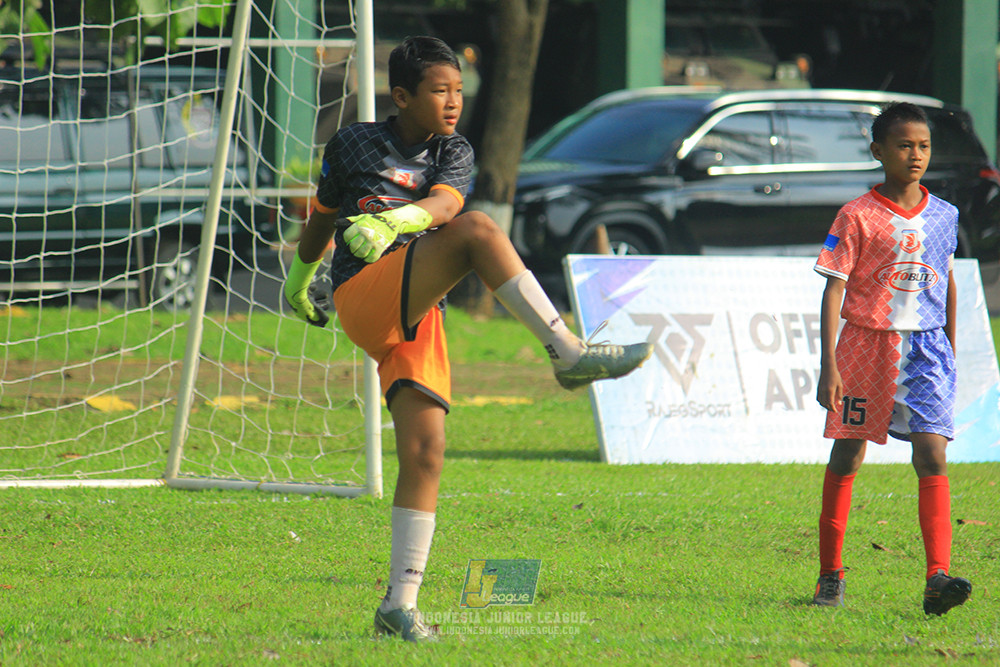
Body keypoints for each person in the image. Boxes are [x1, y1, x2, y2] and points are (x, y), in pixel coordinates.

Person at [282, 36, 652, 642]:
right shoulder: (353, 142)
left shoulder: (454, 150)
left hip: (420, 312)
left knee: (426, 453)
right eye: (439, 90)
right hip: (364, 297)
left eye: (459, 89)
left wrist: (399, 219)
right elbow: (323, 213)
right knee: (481, 230)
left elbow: (447, 202)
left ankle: (397, 605)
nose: (454, 101)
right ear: (401, 96)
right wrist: (300, 281)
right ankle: (568, 352)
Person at [811, 101, 971, 615]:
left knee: (932, 453)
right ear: (879, 151)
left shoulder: (945, 215)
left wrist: (949, 347)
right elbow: (833, 289)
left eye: (923, 145)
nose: (915, 155)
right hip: (866, 347)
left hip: (926, 350)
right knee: (848, 455)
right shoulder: (856, 215)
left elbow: (944, 280)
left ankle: (936, 578)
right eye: (904, 145)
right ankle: (830, 576)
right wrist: (828, 363)